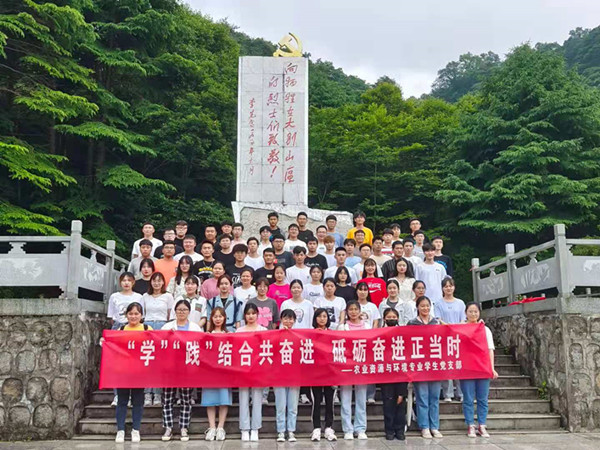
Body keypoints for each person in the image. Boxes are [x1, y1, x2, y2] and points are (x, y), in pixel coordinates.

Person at [160, 299, 202, 442]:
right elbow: (159, 343)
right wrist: (168, 335)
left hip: (187, 367)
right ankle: (168, 427)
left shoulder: (195, 327)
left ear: (189, 312)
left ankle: (184, 427)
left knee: (186, 399)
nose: (182, 312)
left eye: (184, 310)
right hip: (170, 367)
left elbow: (200, 344)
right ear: (175, 311)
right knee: (167, 398)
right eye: (179, 310)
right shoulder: (167, 327)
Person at [113, 302, 151, 443]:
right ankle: (120, 430)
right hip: (123, 371)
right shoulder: (121, 329)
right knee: (122, 401)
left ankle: (136, 429)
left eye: (136, 313)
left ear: (141, 315)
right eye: (130, 314)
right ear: (126, 315)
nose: (133, 316)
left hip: (140, 371)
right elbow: (113, 345)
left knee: (138, 401)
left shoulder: (147, 329)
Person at [461, 302, 498, 439]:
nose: (473, 314)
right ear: (465, 313)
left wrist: (492, 368)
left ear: (479, 313)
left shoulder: (485, 329)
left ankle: (482, 424)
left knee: (482, 399)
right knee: (468, 399)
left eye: (475, 311)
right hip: (467, 369)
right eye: (470, 311)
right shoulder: (461, 328)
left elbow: (490, 350)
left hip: (482, 368)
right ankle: (470, 424)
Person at [408, 296, 443, 439]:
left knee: (434, 397)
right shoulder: (412, 323)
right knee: (422, 397)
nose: (425, 308)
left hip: (434, 365)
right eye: (422, 306)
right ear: (417, 307)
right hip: (419, 366)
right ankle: (424, 427)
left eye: (427, 305)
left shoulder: (436, 322)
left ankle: (434, 426)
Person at [142, 272, 174, 406]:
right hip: (148, 327)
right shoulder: (145, 296)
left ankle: (157, 394)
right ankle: (147, 393)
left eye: (159, 281)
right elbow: (142, 313)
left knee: (160, 362)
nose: (156, 283)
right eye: (154, 281)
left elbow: (170, 314)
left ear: (163, 283)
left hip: (162, 326)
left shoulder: (168, 296)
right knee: (148, 361)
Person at [338, 300, 369, 440]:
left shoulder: (367, 326)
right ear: (347, 311)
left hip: (361, 366)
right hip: (346, 367)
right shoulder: (342, 327)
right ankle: (347, 429)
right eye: (350, 309)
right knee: (345, 398)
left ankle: (360, 428)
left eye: (356, 309)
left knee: (361, 399)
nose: (353, 312)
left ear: (360, 310)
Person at [236, 303, 267, 441]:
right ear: (244, 315)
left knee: (257, 398)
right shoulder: (239, 331)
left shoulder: (263, 330)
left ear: (257, 315)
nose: (251, 316)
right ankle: (244, 428)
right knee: (243, 398)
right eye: (248, 314)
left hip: (258, 369)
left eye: (253, 313)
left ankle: (255, 428)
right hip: (243, 369)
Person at [202, 307, 232, 441]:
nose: (218, 319)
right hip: (210, 372)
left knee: (223, 399)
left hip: (224, 371)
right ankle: (212, 427)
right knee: (210, 400)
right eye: (215, 316)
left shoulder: (229, 334)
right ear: (211, 319)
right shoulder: (207, 335)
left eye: (220, 316)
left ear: (224, 318)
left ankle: (220, 427)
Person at [310, 308, 338, 442]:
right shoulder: (309, 334)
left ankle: (328, 427)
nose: (322, 319)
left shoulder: (332, 334)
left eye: (325, 316)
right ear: (315, 318)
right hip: (315, 373)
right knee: (316, 401)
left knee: (329, 401)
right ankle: (316, 428)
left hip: (330, 373)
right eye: (319, 316)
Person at [437, 277, 466, 402]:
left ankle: (461, 393)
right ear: (442, 288)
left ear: (454, 287)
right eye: (446, 286)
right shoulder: (438, 303)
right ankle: (448, 394)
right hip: (444, 337)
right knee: (446, 365)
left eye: (450, 286)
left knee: (459, 365)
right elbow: (438, 319)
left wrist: (456, 327)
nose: (448, 288)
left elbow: (463, 319)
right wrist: (448, 327)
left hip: (458, 337)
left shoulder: (460, 303)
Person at [380, 308, 408, 441]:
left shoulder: (403, 333)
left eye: (394, 317)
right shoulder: (379, 333)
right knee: (388, 403)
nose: (391, 319)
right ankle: (389, 430)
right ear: (384, 319)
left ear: (398, 318)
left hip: (401, 372)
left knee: (400, 401)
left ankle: (400, 430)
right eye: (389, 317)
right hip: (385, 373)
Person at [275, 309, 300, 442]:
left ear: (294, 321)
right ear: (281, 319)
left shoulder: (299, 335)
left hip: (294, 375)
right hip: (279, 374)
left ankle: (291, 431)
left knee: (293, 405)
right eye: (285, 318)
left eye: (291, 319)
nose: (288, 321)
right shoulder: (275, 334)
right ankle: (280, 431)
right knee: (280, 405)